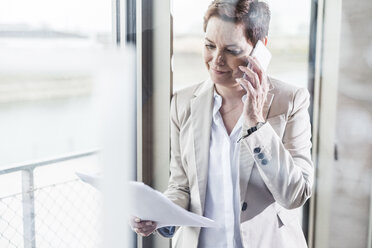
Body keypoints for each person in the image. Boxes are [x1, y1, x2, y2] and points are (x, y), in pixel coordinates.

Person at [131, 0, 313, 247]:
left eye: (232, 50)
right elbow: (181, 187)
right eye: (209, 45)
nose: (216, 60)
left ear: (260, 48)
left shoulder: (290, 101)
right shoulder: (183, 104)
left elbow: (295, 195)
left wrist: (257, 124)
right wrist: (160, 216)